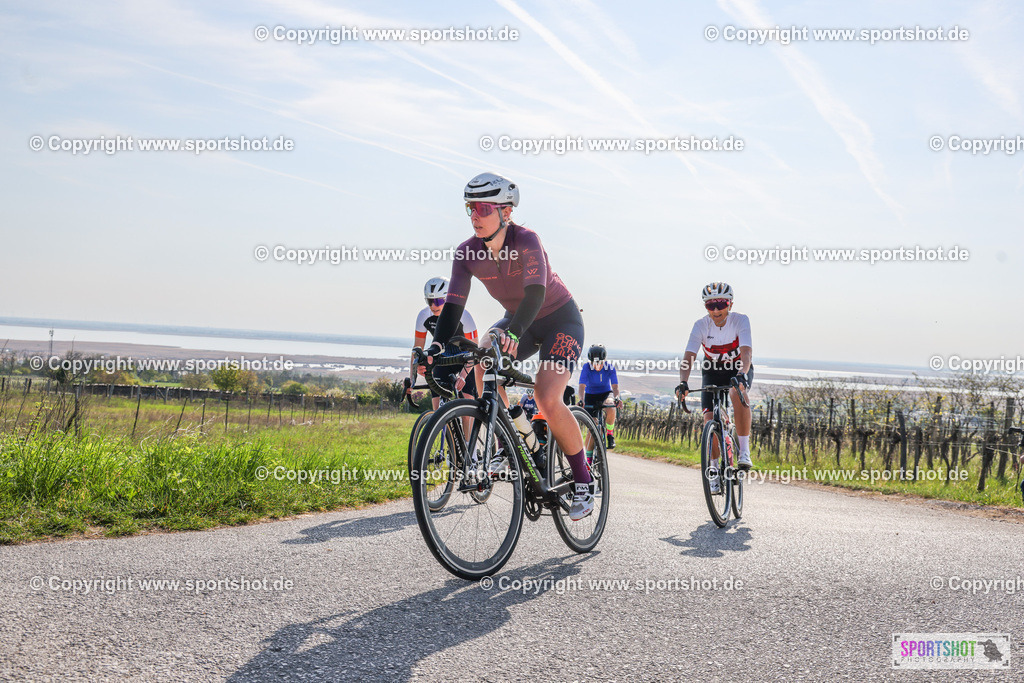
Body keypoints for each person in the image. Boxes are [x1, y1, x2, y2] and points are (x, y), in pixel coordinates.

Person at [427, 172, 593, 520]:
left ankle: (582, 479)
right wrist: (436, 348)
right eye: (470, 207)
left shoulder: (527, 240)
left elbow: (536, 293)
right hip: (518, 320)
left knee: (548, 397)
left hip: (558, 319)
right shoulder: (466, 252)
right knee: (480, 359)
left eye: (483, 208)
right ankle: (512, 436)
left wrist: (514, 334)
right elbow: (453, 306)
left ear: (506, 212)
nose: (474, 215)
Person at [675, 282, 753, 493]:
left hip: (738, 368)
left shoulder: (740, 321)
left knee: (737, 393)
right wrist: (683, 381)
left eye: (721, 304)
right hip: (712, 369)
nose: (716, 310)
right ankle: (713, 470)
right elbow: (689, 356)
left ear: (730, 304)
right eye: (711, 306)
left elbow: (746, 353)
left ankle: (744, 453)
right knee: (709, 420)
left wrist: (742, 375)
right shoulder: (701, 325)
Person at [408, 277, 478, 410]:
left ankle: (468, 432)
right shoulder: (424, 316)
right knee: (437, 406)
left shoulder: (465, 316)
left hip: (465, 360)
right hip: (444, 359)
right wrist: (412, 378)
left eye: (438, 301)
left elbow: (475, 351)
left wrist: (463, 376)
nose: (433, 306)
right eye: (429, 301)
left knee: (467, 403)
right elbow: (416, 349)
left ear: (448, 299)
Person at [577, 344, 622, 450]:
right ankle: (588, 460)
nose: (597, 366)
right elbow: (581, 387)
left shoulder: (610, 367)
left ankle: (610, 434)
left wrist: (617, 398)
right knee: (592, 428)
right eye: (594, 363)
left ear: (604, 360)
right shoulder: (586, 367)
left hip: (606, 393)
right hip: (590, 395)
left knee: (611, 406)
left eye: (600, 363)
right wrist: (581, 400)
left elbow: (615, 387)